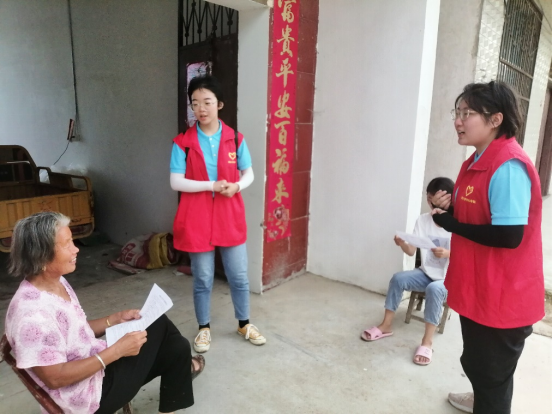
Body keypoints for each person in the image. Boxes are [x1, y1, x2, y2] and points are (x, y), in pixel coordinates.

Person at [5, 212, 204, 414]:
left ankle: (182, 371)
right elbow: (55, 378)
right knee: (161, 328)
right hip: (87, 398)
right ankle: (184, 369)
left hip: (93, 367)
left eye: (72, 241)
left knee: (176, 346)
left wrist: (114, 319)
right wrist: (117, 351)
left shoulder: (56, 283)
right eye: (66, 245)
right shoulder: (32, 316)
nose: (76, 249)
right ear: (41, 256)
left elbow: (75, 331)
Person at [432, 81, 544, 414]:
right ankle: (482, 396)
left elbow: (509, 236)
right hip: (480, 287)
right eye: (457, 112)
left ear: (495, 119)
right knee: (480, 365)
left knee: (491, 375)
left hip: (502, 296)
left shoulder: (507, 166)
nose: (458, 121)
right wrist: (452, 209)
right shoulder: (477, 160)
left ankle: (488, 402)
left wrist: (452, 224)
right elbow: (481, 212)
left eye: (467, 113)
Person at [170, 74, 266, 353]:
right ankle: (204, 328)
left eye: (207, 102)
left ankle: (244, 323)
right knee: (203, 278)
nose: (200, 109)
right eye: (195, 103)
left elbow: (249, 173)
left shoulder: (235, 138)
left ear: (219, 104)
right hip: (197, 217)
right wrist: (210, 185)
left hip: (229, 214)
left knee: (239, 276)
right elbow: (176, 182)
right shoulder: (183, 142)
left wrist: (237, 186)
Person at [360, 177, 454, 366]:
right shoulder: (423, 220)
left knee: (435, 289)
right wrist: (402, 243)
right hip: (425, 274)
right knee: (398, 278)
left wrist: (447, 253)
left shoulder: (457, 223)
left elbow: (469, 257)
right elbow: (411, 251)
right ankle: (386, 325)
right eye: (430, 198)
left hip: (447, 279)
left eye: (435, 199)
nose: (431, 203)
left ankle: (427, 342)